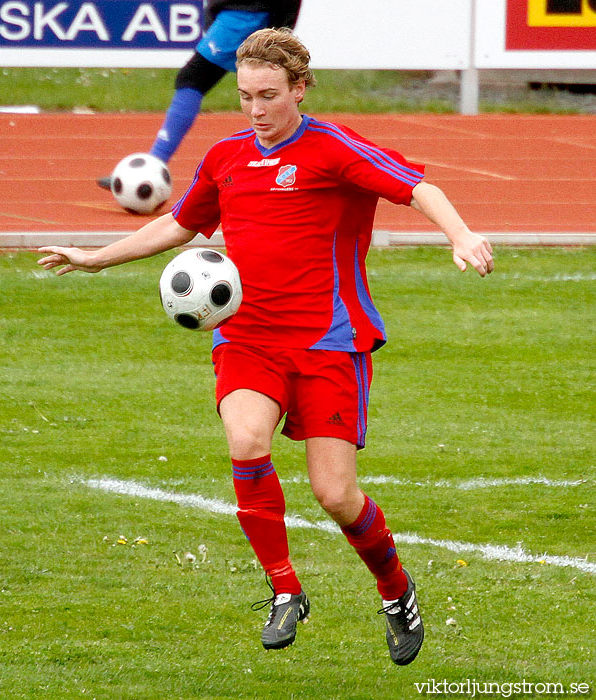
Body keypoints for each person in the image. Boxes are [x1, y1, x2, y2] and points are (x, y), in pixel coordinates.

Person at [39, 28, 494, 666]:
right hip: (248, 338)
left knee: (336, 495)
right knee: (245, 442)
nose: (256, 110)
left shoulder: (334, 148)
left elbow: (419, 188)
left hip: (329, 341)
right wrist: (95, 258)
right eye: (246, 96)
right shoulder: (227, 158)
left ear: (299, 89)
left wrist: (461, 236)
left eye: (269, 96)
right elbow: (180, 223)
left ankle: (395, 591)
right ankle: (285, 588)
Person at [97, 0, 302, 191]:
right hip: (244, 12)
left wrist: (281, 25)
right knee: (263, 88)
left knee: (193, 79)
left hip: (246, 13)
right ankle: (285, 167)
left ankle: (152, 166)